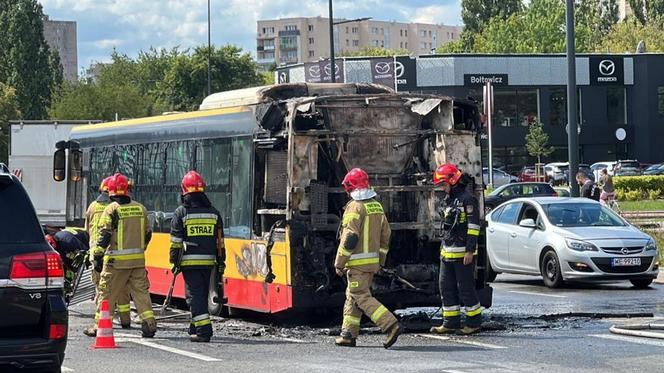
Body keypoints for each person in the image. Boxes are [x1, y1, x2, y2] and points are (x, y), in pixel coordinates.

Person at [334, 168, 403, 349]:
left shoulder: (354, 207)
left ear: (351, 187)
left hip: (356, 263)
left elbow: (350, 238)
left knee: (361, 296)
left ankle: (390, 325)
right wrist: (380, 260)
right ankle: (348, 334)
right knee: (352, 296)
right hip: (371, 263)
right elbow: (385, 235)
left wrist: (339, 263)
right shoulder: (376, 206)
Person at [84, 173, 156, 338]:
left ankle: (99, 325)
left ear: (111, 192)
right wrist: (140, 248)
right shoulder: (140, 208)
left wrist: (97, 255)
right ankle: (149, 324)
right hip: (137, 261)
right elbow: (148, 233)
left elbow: (105, 235)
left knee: (106, 292)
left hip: (116, 263)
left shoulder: (111, 209)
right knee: (141, 293)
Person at [170, 170, 226, 343]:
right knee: (201, 295)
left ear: (184, 191)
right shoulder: (214, 213)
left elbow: (176, 242)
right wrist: (221, 261)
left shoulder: (181, 213)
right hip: (209, 263)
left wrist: (174, 261)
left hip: (189, 263)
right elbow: (220, 242)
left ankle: (203, 331)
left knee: (194, 296)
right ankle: (194, 326)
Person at [430, 163, 482, 336]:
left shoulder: (468, 199)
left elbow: (474, 227)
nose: (442, 188)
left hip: (463, 254)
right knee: (445, 286)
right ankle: (450, 322)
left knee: (465, 288)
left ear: (452, 181)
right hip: (447, 252)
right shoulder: (449, 200)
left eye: (443, 184)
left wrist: (469, 250)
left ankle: (473, 323)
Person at [84, 176, 132, 328]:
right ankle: (125, 319)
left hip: (97, 253)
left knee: (102, 289)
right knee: (123, 287)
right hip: (115, 253)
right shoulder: (116, 208)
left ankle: (102, 321)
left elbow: (87, 230)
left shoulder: (92, 206)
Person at [46, 227, 89, 297]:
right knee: (71, 265)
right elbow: (63, 262)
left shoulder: (67, 240)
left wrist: (82, 255)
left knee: (82, 259)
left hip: (85, 239)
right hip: (69, 245)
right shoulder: (55, 247)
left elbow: (86, 250)